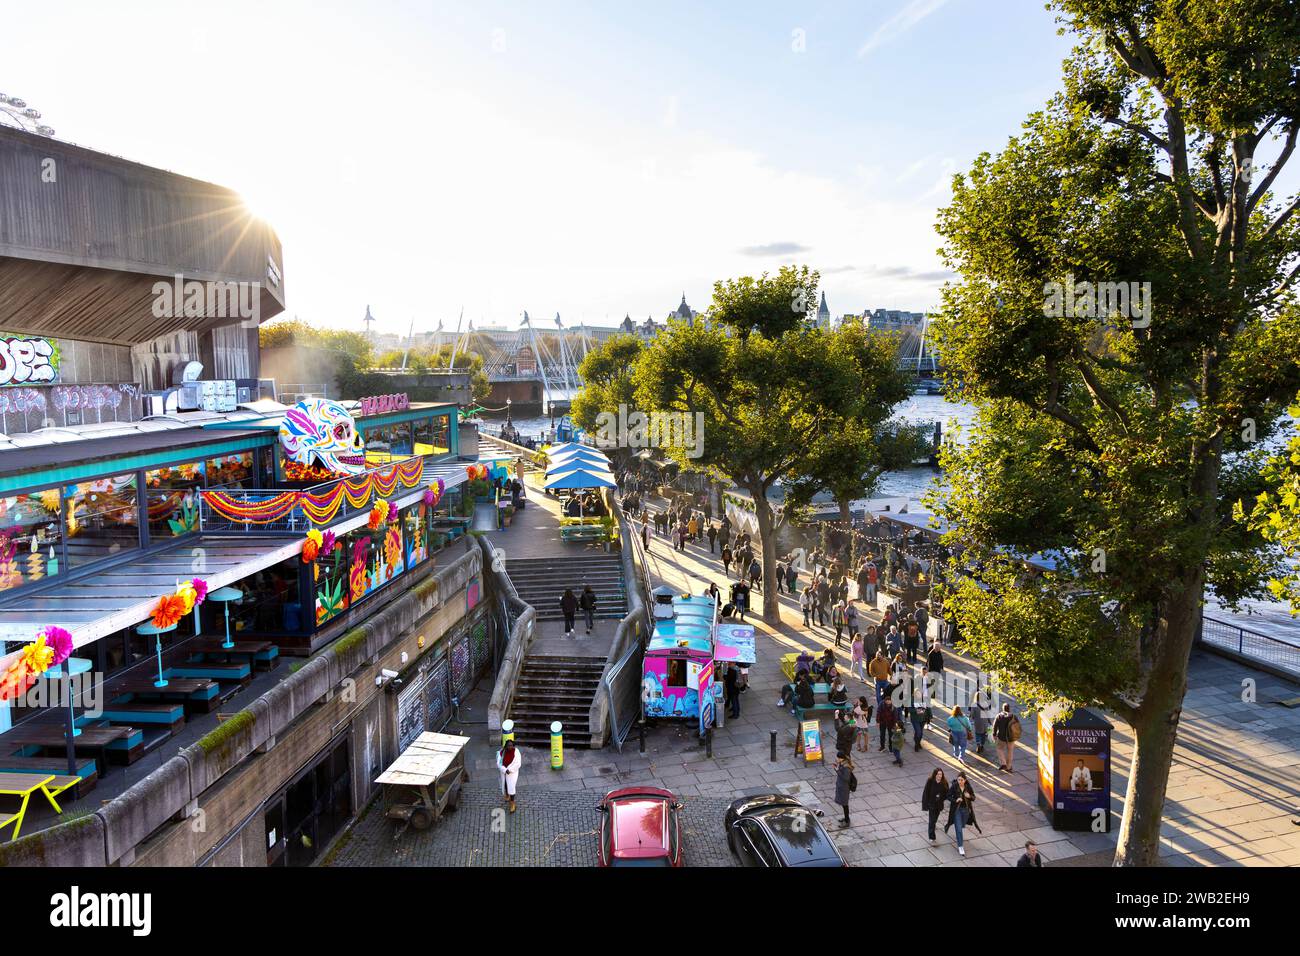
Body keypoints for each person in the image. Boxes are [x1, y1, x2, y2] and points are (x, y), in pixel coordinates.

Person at [943, 771, 979, 855]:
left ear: (965, 780)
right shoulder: (955, 786)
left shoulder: (968, 787)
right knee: (959, 829)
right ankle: (960, 846)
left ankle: (958, 828)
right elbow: (948, 796)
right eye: (959, 780)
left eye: (962, 780)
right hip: (957, 810)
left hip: (966, 810)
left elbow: (973, 797)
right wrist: (955, 800)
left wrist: (969, 796)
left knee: (962, 825)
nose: (960, 781)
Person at [921, 768, 949, 843]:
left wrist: (941, 797)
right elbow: (926, 792)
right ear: (935, 774)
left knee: (935, 819)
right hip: (931, 804)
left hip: (939, 805)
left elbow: (947, 794)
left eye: (941, 774)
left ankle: (933, 826)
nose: (940, 776)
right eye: (938, 774)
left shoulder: (944, 782)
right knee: (932, 821)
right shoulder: (930, 781)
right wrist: (925, 804)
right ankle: (932, 837)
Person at [991, 703, 1020, 772]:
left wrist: (994, 734)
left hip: (1001, 737)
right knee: (1010, 752)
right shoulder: (1013, 716)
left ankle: (1003, 763)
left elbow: (995, 726)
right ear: (1009, 708)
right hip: (1011, 738)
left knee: (999, 749)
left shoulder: (999, 716)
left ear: (1003, 708)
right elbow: (1017, 726)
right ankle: (1009, 767)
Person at [497, 739, 522, 813]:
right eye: (508, 745)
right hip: (504, 773)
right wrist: (505, 770)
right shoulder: (501, 752)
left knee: (511, 787)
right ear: (506, 746)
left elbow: (518, 763)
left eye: (511, 745)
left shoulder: (516, 752)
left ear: (513, 746)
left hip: (512, 774)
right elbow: (499, 763)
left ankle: (512, 803)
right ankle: (507, 795)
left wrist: (510, 770)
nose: (510, 747)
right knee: (505, 785)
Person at [833, 752, 854, 828]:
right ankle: (846, 818)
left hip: (844, 788)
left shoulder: (846, 767)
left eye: (838, 758)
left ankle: (847, 821)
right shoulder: (842, 764)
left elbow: (846, 778)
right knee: (844, 804)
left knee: (845, 804)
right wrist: (837, 768)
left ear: (842, 758)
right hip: (841, 787)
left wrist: (837, 770)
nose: (837, 759)